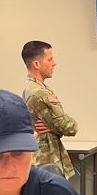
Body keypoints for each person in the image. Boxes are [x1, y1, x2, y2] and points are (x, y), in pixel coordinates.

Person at [22, 40, 77, 178]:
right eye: (50, 59)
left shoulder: (31, 88)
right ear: (36, 64)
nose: (54, 63)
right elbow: (69, 127)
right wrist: (60, 126)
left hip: (44, 159)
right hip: (46, 161)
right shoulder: (39, 93)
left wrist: (52, 127)